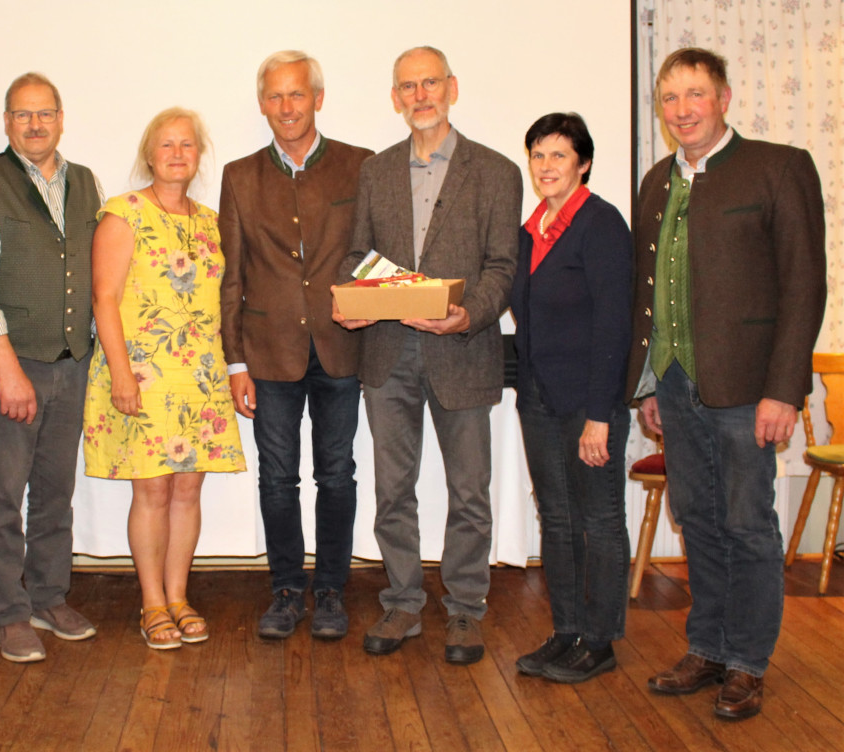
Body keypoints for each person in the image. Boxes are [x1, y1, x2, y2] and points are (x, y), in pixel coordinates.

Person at [627, 48, 825, 720]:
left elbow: (804, 285)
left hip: (749, 389)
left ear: (725, 97)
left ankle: (747, 662)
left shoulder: (778, 167)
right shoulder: (656, 181)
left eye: (695, 95)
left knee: (749, 526)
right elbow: (648, 296)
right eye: (671, 98)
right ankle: (706, 646)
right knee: (701, 522)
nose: (682, 110)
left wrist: (784, 389)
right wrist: (650, 382)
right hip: (676, 385)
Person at [334, 46, 521, 662]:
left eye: (430, 83)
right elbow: (359, 254)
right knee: (394, 490)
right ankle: (402, 604)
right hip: (388, 355)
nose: (420, 95)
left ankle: (466, 610)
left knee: (470, 492)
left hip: (463, 352)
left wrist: (471, 313)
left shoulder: (494, 171)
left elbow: (502, 267)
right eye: (408, 87)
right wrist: (353, 296)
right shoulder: (376, 172)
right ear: (395, 98)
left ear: (453, 88)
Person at [0, 72, 100, 663]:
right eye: (22, 115)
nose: (34, 125)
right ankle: (9, 614)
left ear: (61, 118)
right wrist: (8, 371)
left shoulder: (86, 183)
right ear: (7, 122)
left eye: (44, 114)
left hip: (71, 365)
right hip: (6, 366)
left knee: (56, 495)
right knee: (2, 498)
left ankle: (48, 596)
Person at [219, 51, 372, 640]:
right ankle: (286, 588)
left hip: (341, 349)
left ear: (318, 99)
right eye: (276, 97)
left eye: (297, 95)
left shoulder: (361, 166)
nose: (287, 107)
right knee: (277, 479)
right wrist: (236, 361)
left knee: (337, 475)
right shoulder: (240, 175)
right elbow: (232, 277)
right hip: (267, 353)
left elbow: (375, 257)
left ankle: (331, 588)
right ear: (263, 104)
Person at [84, 108, 245, 650]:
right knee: (152, 490)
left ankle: (179, 596)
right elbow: (104, 300)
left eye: (187, 145)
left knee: (188, 489)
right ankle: (152, 604)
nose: (177, 153)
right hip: (143, 374)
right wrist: (122, 377)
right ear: (148, 154)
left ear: (198, 155)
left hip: (198, 374)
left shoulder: (209, 221)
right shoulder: (122, 215)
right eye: (166, 144)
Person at [510, 113, 632, 683]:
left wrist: (600, 417)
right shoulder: (530, 228)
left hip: (589, 403)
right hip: (537, 397)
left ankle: (600, 641)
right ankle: (566, 632)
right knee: (556, 519)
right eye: (538, 155)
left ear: (582, 162)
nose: (546, 166)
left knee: (599, 520)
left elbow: (614, 325)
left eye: (559, 155)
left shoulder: (601, 224)